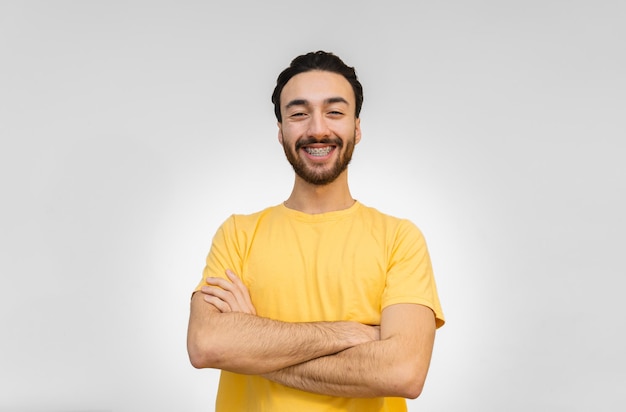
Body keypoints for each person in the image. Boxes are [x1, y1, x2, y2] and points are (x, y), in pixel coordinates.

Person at [187, 50, 445, 412]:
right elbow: (206, 344)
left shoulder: (399, 239)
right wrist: (349, 333)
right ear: (281, 131)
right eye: (298, 113)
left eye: (335, 112)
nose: (317, 128)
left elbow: (403, 372)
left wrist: (253, 343)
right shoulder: (237, 234)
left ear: (356, 127)